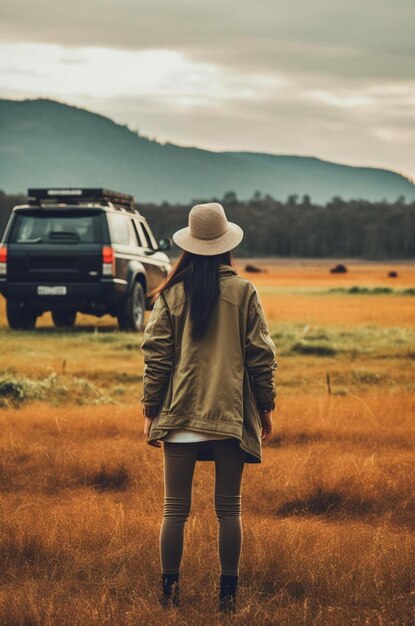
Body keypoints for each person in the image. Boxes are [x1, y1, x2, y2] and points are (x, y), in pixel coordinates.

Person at [140, 202, 278, 614]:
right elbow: (261, 356)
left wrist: (151, 409)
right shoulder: (244, 291)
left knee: (174, 510)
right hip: (230, 417)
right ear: (225, 246)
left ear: (189, 247)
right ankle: (227, 600)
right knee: (228, 509)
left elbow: (157, 357)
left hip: (179, 415)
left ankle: (168, 598)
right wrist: (266, 409)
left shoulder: (171, 293)